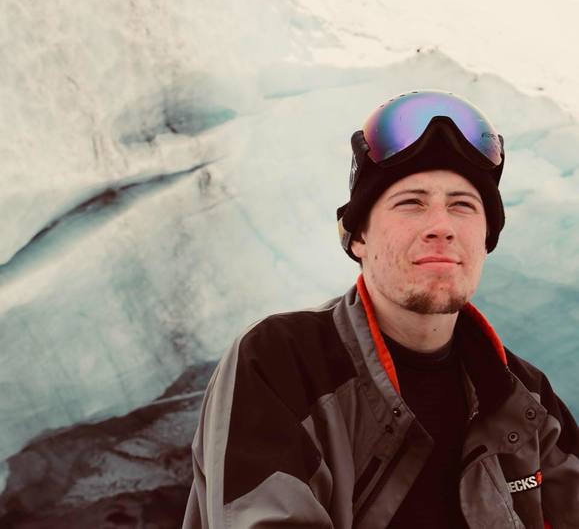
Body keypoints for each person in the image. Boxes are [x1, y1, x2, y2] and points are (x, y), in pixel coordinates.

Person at [182, 90, 579, 528]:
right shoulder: (281, 363)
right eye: (412, 202)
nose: (441, 226)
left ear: (486, 240)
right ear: (358, 238)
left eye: (462, 205)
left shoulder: (526, 397)